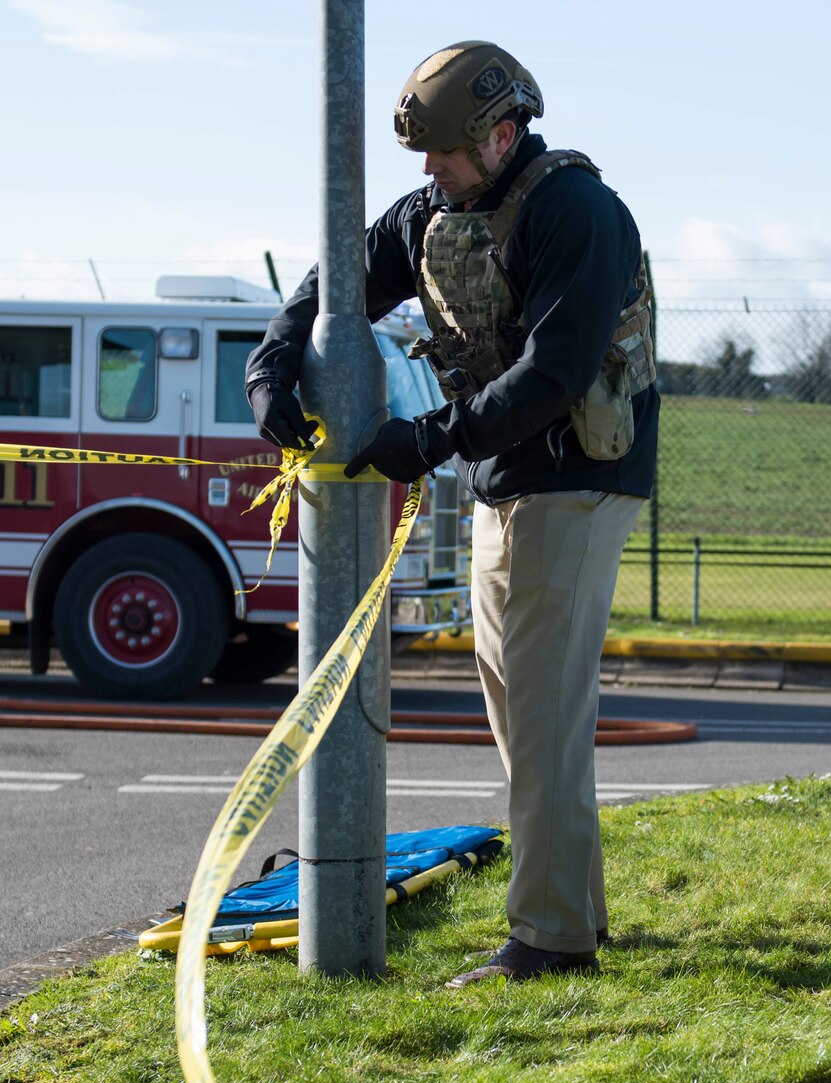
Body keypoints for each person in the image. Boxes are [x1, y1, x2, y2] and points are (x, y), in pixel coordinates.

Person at [246, 40, 658, 988]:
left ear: (502, 133)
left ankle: (550, 941)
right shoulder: (435, 211)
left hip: (576, 479)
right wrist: (271, 359)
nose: (428, 172)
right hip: (504, 478)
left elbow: (554, 373)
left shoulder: (578, 212)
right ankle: (575, 914)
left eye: (443, 152)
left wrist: (430, 438)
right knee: (522, 712)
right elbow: (334, 284)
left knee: (545, 712)